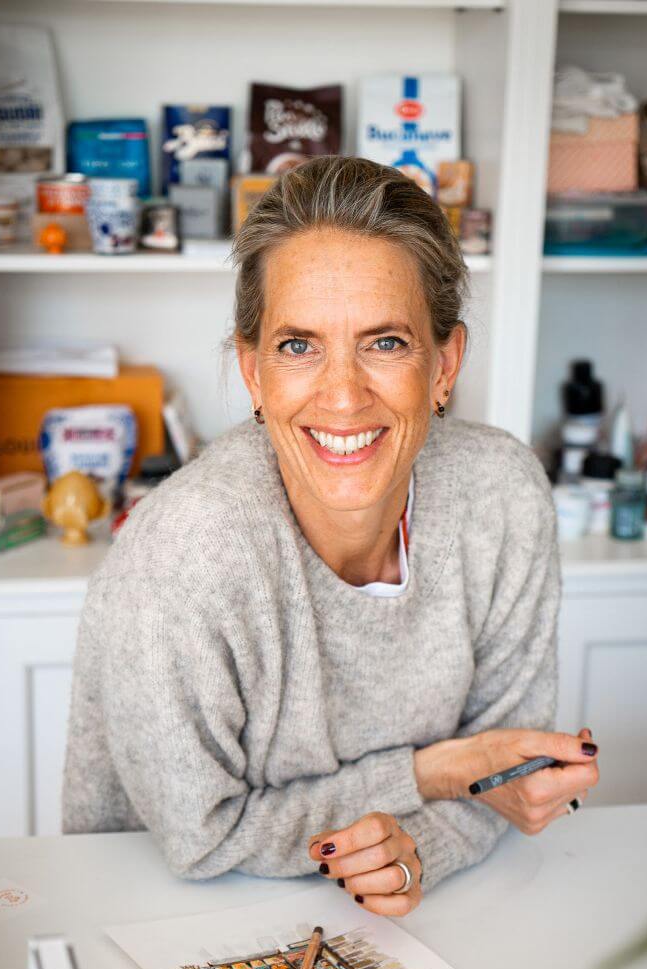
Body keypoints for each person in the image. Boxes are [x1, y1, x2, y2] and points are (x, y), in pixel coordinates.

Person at [63, 156, 599, 916]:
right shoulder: (185, 550)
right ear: (252, 373)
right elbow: (203, 837)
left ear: (445, 364)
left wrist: (425, 850)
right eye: (297, 346)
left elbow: (502, 779)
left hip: (427, 928)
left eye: (385, 342)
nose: (343, 396)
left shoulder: (503, 497)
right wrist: (433, 774)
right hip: (161, 921)